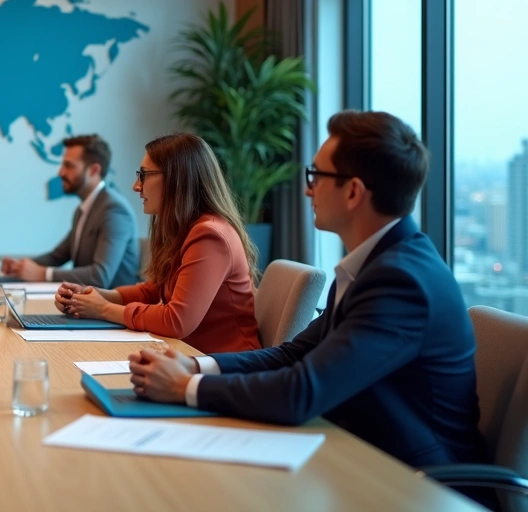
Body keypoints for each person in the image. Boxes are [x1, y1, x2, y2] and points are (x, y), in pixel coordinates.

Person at [128, 111, 487, 469]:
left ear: (353, 192)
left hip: (414, 478)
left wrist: (184, 387)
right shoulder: (377, 264)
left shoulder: (401, 281)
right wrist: (194, 365)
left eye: (316, 175)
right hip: (357, 453)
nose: (307, 189)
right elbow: (292, 354)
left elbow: (302, 392)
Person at [55, 133, 261, 354]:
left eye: (144, 175)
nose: (136, 186)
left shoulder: (210, 236)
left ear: (177, 179)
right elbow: (153, 291)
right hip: (187, 355)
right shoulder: (186, 228)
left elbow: (176, 321)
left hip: (224, 364)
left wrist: (104, 309)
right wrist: (93, 295)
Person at [1, 134, 139, 287]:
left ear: (94, 170)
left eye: (69, 166)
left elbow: (100, 276)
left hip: (110, 301)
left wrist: (43, 274)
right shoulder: (83, 210)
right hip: (85, 299)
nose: (60, 172)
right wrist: (20, 266)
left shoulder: (114, 210)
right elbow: (57, 257)